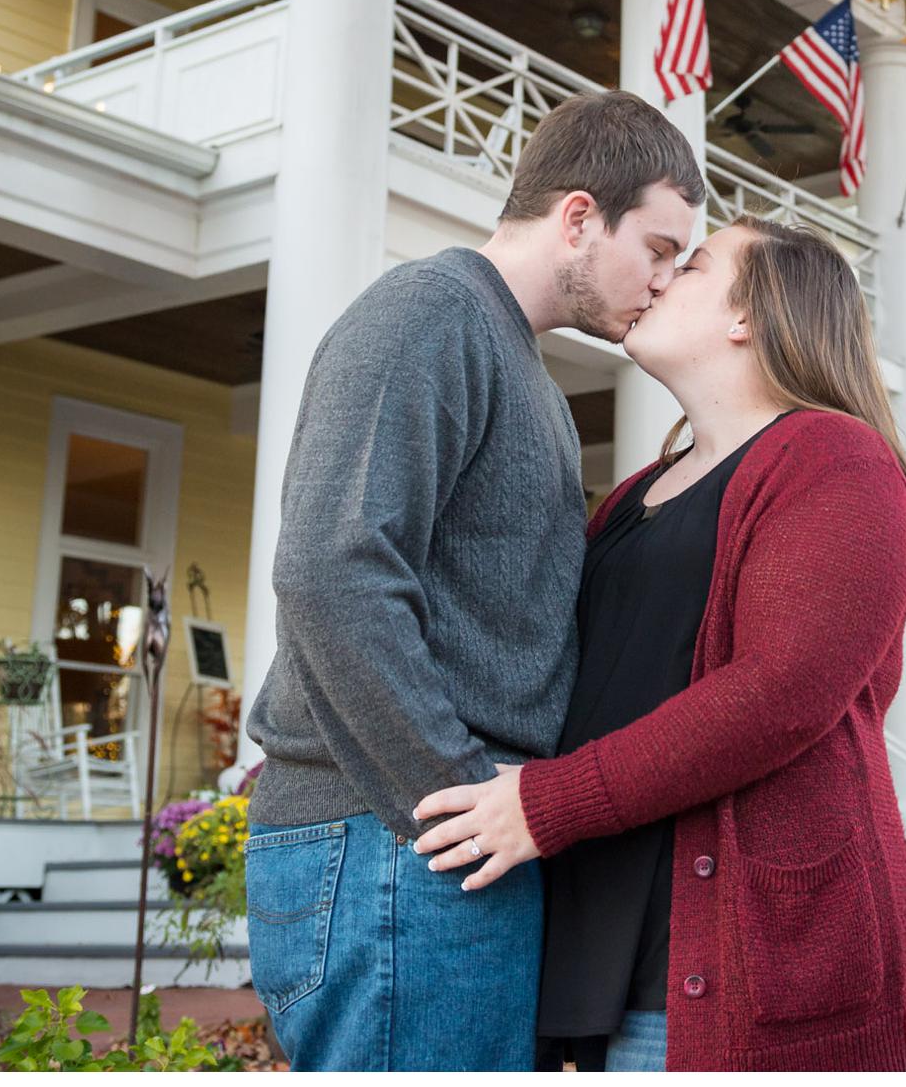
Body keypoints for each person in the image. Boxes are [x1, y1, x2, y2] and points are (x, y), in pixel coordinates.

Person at [240, 90, 706, 1072]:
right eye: (658, 248)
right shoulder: (429, 314)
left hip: (439, 844)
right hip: (393, 840)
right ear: (579, 217)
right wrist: (453, 794)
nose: (665, 281)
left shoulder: (524, 368)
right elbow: (330, 570)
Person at [413, 216, 906, 1072]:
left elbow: (778, 693)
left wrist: (547, 805)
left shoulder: (836, 459)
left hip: (758, 969)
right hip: (605, 963)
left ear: (751, 316)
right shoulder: (632, 499)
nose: (657, 280)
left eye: (690, 266)